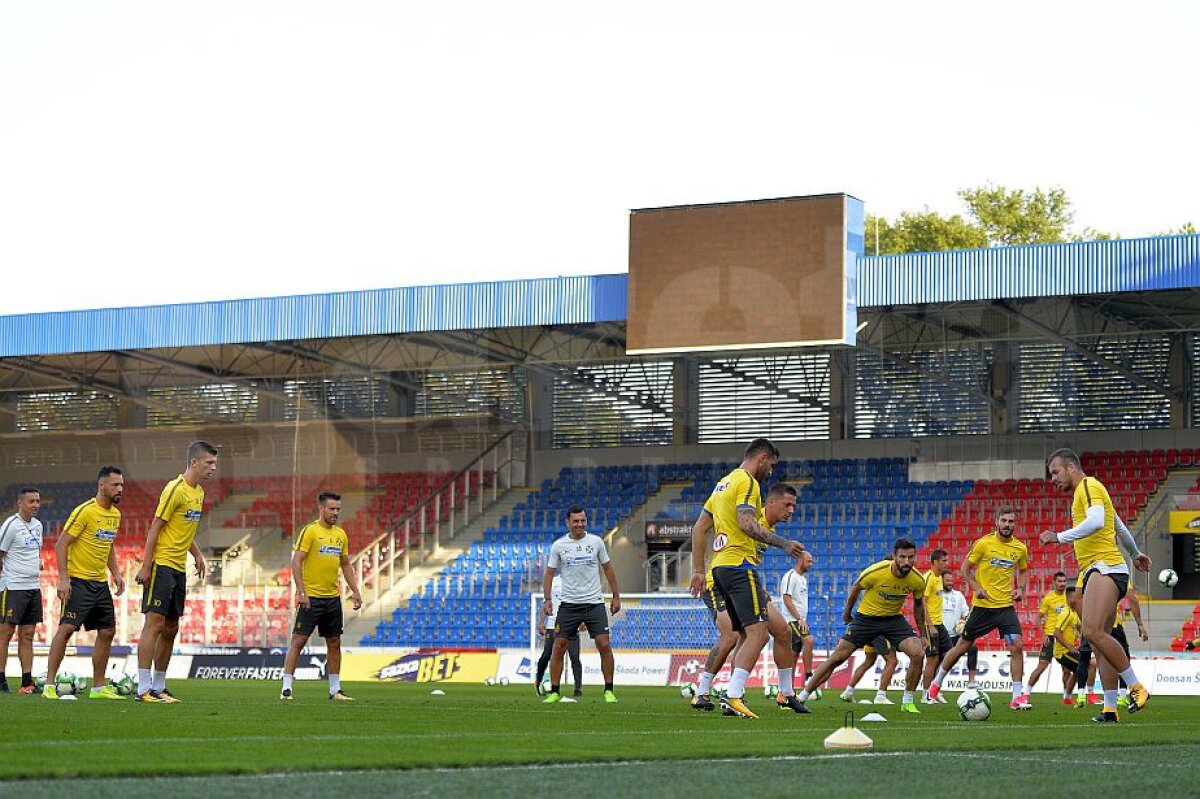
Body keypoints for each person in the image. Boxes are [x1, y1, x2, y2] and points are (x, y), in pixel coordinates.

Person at [687, 439, 803, 719]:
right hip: (738, 566)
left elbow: (699, 527)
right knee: (755, 633)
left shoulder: (722, 484)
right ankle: (732, 694)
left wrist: (699, 570)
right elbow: (746, 524)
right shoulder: (748, 483)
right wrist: (784, 543)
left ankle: (783, 694)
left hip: (722, 568)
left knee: (776, 632)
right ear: (762, 458)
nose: (771, 471)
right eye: (772, 465)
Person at [1040, 447, 1152, 723]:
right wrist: (1136, 554)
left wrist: (1059, 536)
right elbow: (1118, 525)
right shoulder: (1088, 492)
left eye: (1055, 472)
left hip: (1105, 566)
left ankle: (1136, 687)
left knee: (1091, 631)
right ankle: (1110, 708)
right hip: (1102, 568)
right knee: (1101, 640)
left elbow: (1097, 521)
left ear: (1071, 467)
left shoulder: (1088, 486)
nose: (1052, 479)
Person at [796, 538, 929, 714]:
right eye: (902, 557)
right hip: (866, 619)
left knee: (918, 653)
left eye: (910, 557)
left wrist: (923, 634)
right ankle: (802, 697)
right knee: (837, 658)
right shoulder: (875, 572)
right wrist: (847, 613)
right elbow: (855, 589)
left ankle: (907, 701)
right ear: (894, 556)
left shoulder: (917, 579)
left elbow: (919, 606)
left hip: (893, 619)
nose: (907, 562)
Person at [134, 440, 219, 702]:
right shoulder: (175, 489)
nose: (213, 468)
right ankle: (143, 688)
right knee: (154, 624)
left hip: (178, 569)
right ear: (194, 462)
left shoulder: (199, 493)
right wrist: (146, 565)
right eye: (209, 463)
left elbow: (183, 529)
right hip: (161, 565)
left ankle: (159, 687)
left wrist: (197, 554)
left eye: (214, 463)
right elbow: (156, 527)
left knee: (171, 628)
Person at [927, 507, 1031, 709]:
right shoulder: (984, 543)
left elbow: (1024, 570)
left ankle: (1017, 697)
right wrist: (977, 588)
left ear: (1014, 524)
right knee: (962, 647)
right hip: (982, 608)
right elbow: (964, 569)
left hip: (1005, 609)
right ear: (997, 522)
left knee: (1017, 646)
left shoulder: (1020, 548)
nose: (1007, 525)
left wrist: (1020, 589)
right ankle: (936, 683)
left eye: (1011, 521)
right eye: (1004, 521)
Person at [42, 467, 127, 700]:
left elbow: (108, 546)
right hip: (78, 582)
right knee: (67, 629)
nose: (120, 489)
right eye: (115, 485)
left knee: (108, 630)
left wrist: (116, 573)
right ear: (102, 486)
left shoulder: (115, 515)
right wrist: (63, 579)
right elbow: (61, 544)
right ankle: (49, 685)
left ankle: (98, 688)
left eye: (121, 485)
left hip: (99, 584)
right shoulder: (85, 512)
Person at [280, 492, 363, 700]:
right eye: (332, 509)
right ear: (321, 509)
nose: (336, 513)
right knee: (298, 641)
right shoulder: (310, 531)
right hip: (311, 597)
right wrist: (301, 592)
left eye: (338, 509)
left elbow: (345, 565)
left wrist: (355, 590)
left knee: (334, 642)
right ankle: (286, 688)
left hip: (332, 598)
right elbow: (296, 561)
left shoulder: (341, 535)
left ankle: (335, 690)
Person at [541, 505, 621, 704]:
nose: (579, 524)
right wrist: (547, 599)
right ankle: (554, 691)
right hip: (569, 604)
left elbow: (608, 569)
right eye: (575, 521)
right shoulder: (558, 546)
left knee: (604, 644)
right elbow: (549, 573)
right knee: (558, 646)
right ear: (568, 522)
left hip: (594, 603)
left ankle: (609, 690)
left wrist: (615, 596)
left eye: (582, 520)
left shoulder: (596, 542)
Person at [0, 487, 44, 694]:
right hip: (13, 587)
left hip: (33, 587)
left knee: (27, 635)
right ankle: (0, 679)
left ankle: (27, 681)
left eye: (37, 501)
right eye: (31, 501)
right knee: (5, 634)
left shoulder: (38, 526)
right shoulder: (11, 525)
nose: (35, 505)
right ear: (20, 504)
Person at [535, 572, 582, 697]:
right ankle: (538, 682)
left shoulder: (576, 581)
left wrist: (582, 621)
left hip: (572, 624)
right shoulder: (553, 581)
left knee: (574, 657)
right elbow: (546, 604)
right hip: (552, 624)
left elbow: (580, 604)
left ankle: (578, 689)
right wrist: (541, 622)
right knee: (546, 656)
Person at [779, 550, 817, 700]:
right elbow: (787, 599)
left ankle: (788, 691)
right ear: (800, 560)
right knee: (809, 640)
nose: (811, 564)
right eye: (809, 561)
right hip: (791, 620)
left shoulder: (803, 579)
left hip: (799, 619)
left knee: (793, 656)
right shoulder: (790, 576)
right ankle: (808, 677)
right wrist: (799, 618)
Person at [1026, 572, 1071, 698]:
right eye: (1059, 581)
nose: (1062, 584)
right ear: (1054, 582)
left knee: (1066, 670)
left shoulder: (1069, 597)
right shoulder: (1049, 598)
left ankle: (1066, 697)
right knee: (1042, 666)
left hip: (1064, 637)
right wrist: (1043, 635)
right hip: (1051, 637)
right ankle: (1027, 692)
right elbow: (1038, 618)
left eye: (1064, 581)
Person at [919, 549, 951, 703]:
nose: (946, 563)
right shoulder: (929, 578)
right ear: (935, 562)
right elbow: (921, 603)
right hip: (929, 625)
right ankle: (926, 694)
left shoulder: (939, 578)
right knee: (932, 660)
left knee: (949, 654)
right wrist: (930, 625)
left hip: (939, 624)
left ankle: (934, 688)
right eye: (944, 561)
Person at [938, 571, 978, 688]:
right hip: (941, 635)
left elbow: (965, 613)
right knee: (937, 661)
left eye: (951, 580)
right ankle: (934, 687)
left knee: (973, 649)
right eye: (947, 581)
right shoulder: (937, 594)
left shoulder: (958, 595)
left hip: (955, 635)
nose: (950, 583)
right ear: (941, 581)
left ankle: (971, 681)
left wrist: (966, 620)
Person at [837, 639, 899, 705]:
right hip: (881, 634)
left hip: (869, 635)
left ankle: (848, 692)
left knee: (868, 662)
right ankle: (881, 696)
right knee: (892, 661)